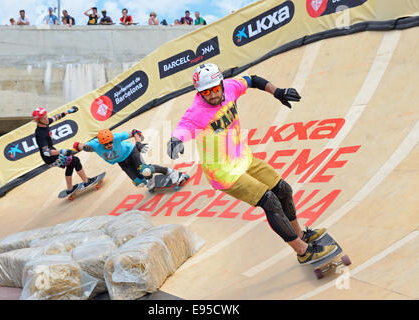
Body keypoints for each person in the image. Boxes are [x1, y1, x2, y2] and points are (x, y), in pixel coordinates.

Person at [167, 63, 338, 265]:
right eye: (206, 93)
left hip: (244, 159)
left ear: (221, 84)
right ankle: (302, 251)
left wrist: (278, 92)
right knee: (270, 201)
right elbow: (179, 131)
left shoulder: (230, 87)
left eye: (214, 89)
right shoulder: (196, 113)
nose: (212, 95)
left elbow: (253, 80)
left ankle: (301, 235)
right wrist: (174, 142)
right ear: (199, 93)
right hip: (223, 172)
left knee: (283, 190)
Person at [73, 129, 185, 190]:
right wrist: (84, 147)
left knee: (146, 170)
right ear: (101, 143)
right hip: (122, 162)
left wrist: (138, 142)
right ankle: (150, 180)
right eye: (106, 144)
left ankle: (170, 172)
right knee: (139, 183)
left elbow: (135, 132)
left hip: (131, 152)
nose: (109, 145)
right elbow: (77, 145)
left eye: (110, 142)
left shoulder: (116, 136)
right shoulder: (95, 145)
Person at [32, 106, 96, 196]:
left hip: (53, 153)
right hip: (50, 158)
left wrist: (68, 112)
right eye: (44, 118)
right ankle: (87, 182)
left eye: (46, 116)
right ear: (38, 120)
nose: (47, 119)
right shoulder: (40, 134)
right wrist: (62, 151)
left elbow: (55, 118)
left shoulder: (45, 122)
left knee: (71, 163)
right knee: (75, 160)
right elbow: (46, 152)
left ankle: (70, 189)